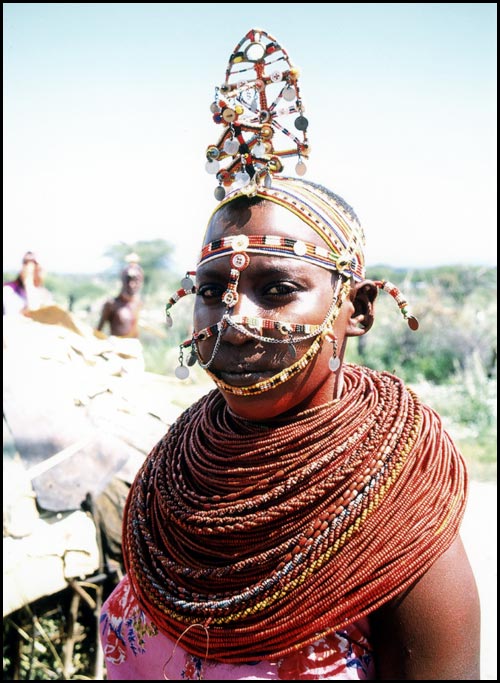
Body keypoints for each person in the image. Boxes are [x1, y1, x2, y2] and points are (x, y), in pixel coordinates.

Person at [99, 29, 480, 680]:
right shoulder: (172, 477)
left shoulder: (395, 518)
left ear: (356, 310)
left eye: (277, 289)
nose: (234, 318)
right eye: (213, 289)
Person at [96, 261, 144, 338]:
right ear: (122, 281)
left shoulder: (138, 304)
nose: (131, 285)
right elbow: (98, 332)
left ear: (140, 282)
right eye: (128, 280)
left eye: (136, 280)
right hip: (117, 348)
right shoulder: (111, 304)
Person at [3, 251, 53, 315]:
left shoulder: (45, 295)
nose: (30, 267)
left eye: (35, 263)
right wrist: (28, 281)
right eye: (26, 263)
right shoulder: (9, 290)